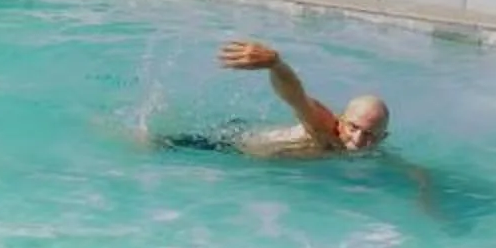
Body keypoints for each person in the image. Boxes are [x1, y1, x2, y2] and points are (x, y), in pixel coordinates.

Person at [161, 40, 389, 157]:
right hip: (226, 147)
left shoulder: (368, 151)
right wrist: (277, 65)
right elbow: (297, 97)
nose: (359, 139)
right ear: (340, 121)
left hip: (249, 154)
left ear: (382, 138)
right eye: (354, 127)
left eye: (369, 134)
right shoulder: (324, 126)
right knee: (159, 145)